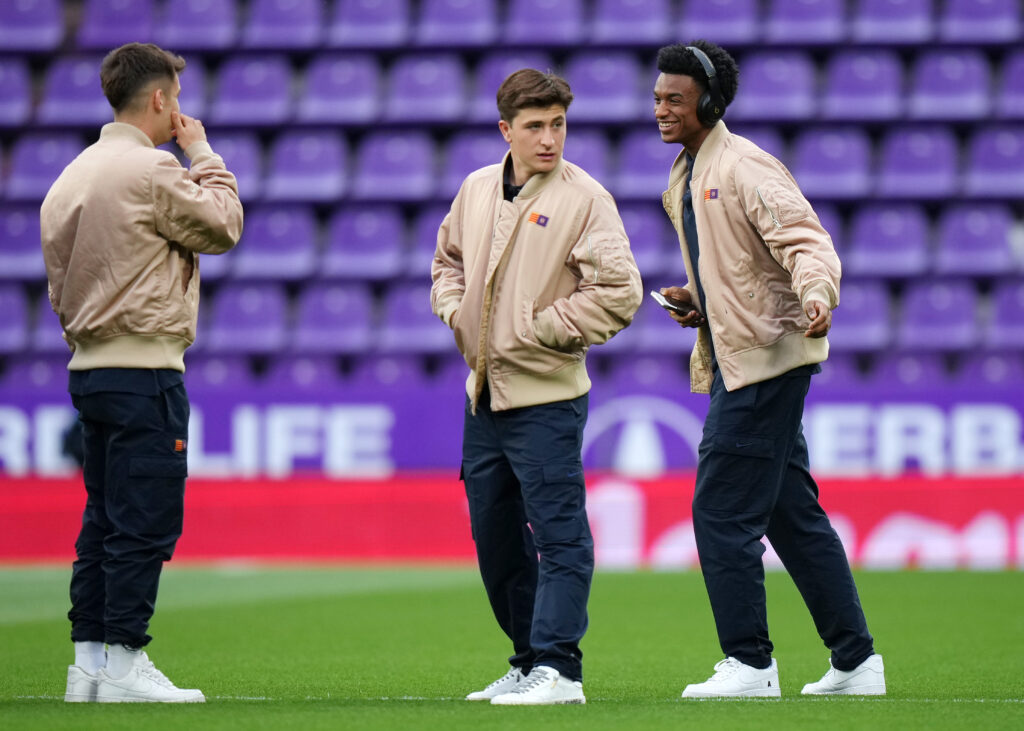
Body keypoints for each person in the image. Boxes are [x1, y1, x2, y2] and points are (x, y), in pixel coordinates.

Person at [651, 41, 885, 698]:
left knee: (720, 511)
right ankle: (857, 659)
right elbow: (741, 265)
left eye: (675, 98)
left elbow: (806, 242)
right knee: (792, 515)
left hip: (764, 361)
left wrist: (819, 294)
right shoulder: (687, 171)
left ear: (711, 103)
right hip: (743, 353)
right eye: (658, 97)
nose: (661, 109)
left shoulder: (746, 166)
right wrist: (701, 301)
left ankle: (749, 663)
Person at [431, 69, 642, 706]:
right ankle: (527, 662)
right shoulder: (474, 189)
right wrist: (454, 310)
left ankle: (560, 670)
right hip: (484, 397)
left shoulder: (586, 197)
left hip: (548, 397)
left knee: (560, 538)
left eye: (558, 124)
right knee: (496, 544)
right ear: (506, 130)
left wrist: (542, 329)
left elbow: (620, 291)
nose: (549, 138)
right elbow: (447, 264)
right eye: (535, 126)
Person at [41, 42, 243, 703]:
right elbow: (222, 226)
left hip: (89, 368)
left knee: (101, 517)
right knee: (144, 520)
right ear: (158, 99)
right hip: (144, 369)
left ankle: (90, 664)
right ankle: (126, 659)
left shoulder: (68, 176)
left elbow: (55, 283)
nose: (179, 111)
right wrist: (204, 154)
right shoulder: (153, 168)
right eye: (175, 100)